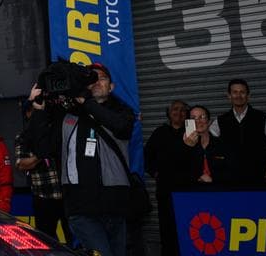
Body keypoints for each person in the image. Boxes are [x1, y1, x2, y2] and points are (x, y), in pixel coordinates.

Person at [48, 62, 136, 256]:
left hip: (115, 204)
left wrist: (87, 101)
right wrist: (39, 109)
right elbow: (42, 147)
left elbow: (121, 126)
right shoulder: (68, 114)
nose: (96, 81)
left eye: (101, 78)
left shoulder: (123, 112)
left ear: (111, 87)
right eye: (92, 78)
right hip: (81, 206)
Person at [16, 98, 66, 242]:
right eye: (32, 110)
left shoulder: (58, 130)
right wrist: (40, 154)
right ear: (27, 114)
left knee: (75, 240)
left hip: (67, 195)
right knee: (46, 240)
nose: (37, 113)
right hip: (43, 196)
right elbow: (21, 164)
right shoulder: (23, 137)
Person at [214, 78, 266, 183]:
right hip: (230, 179)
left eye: (242, 92)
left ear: (248, 96)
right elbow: (210, 145)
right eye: (235, 92)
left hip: (260, 176)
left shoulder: (263, 118)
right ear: (229, 96)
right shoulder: (219, 121)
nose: (238, 96)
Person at [144, 99, 189, 256]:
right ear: (169, 113)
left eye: (183, 110)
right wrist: (154, 172)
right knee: (167, 226)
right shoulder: (160, 132)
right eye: (175, 109)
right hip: (166, 188)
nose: (179, 112)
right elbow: (146, 156)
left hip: (188, 188)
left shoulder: (191, 131)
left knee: (188, 223)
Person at [180, 106, 229, 184]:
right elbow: (178, 172)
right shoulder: (181, 145)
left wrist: (213, 180)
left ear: (209, 121)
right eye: (193, 118)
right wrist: (188, 147)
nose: (198, 121)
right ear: (188, 123)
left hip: (218, 189)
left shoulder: (222, 144)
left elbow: (232, 172)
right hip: (192, 189)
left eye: (202, 117)